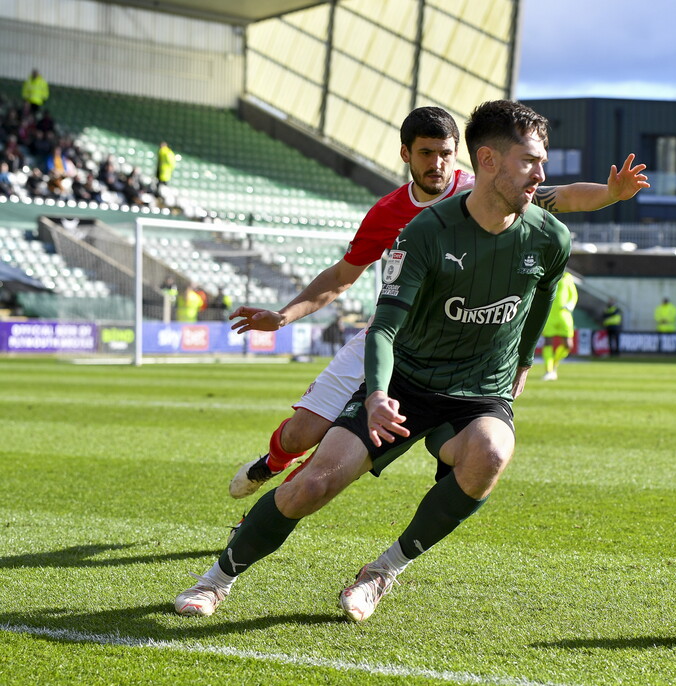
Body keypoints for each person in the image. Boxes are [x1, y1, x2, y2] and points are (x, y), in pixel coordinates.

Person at [174, 100, 574, 621]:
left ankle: (382, 571)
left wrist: (522, 361)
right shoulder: (423, 230)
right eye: (530, 162)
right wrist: (379, 394)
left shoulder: (550, 235)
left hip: (479, 390)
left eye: (542, 162)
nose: (541, 175)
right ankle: (215, 580)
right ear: (488, 161)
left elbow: (544, 294)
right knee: (312, 484)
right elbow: (382, 326)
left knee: (491, 454)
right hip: (404, 381)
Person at [225, 106, 649, 500]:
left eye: (445, 153)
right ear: (406, 155)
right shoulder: (387, 213)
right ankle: (271, 463)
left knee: (337, 454)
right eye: (426, 153)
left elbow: (561, 196)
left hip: (448, 347)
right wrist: (284, 315)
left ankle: (259, 518)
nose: (437, 163)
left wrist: (611, 194)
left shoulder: (484, 190)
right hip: (389, 334)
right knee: (300, 434)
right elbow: (340, 277)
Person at [541, 271, 578, 380]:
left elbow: (574, 295)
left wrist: (571, 304)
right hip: (550, 316)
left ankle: (554, 362)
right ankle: (549, 370)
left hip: (563, 315)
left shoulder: (567, 277)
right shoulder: (548, 274)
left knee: (568, 345)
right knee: (548, 343)